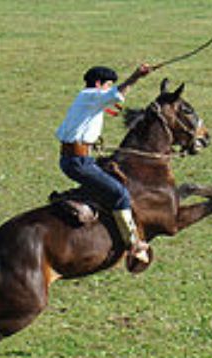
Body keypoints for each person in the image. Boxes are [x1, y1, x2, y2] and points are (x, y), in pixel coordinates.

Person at [56, 63, 153, 263]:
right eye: (108, 85)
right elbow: (117, 94)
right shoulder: (91, 96)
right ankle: (133, 244)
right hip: (79, 161)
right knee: (119, 193)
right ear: (99, 84)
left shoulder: (86, 99)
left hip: (77, 158)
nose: (109, 89)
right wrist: (137, 76)